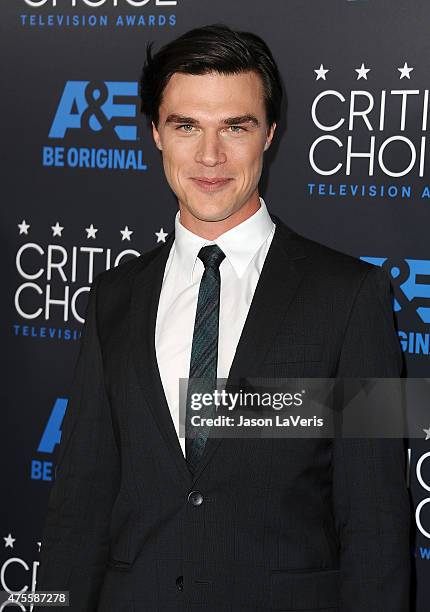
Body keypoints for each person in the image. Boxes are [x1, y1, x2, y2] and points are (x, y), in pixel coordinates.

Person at [36, 23, 411, 611]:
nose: (210, 156)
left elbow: (378, 526)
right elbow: (78, 508)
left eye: (235, 127)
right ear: (156, 134)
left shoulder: (351, 296)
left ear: (270, 136)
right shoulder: (115, 295)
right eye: (187, 126)